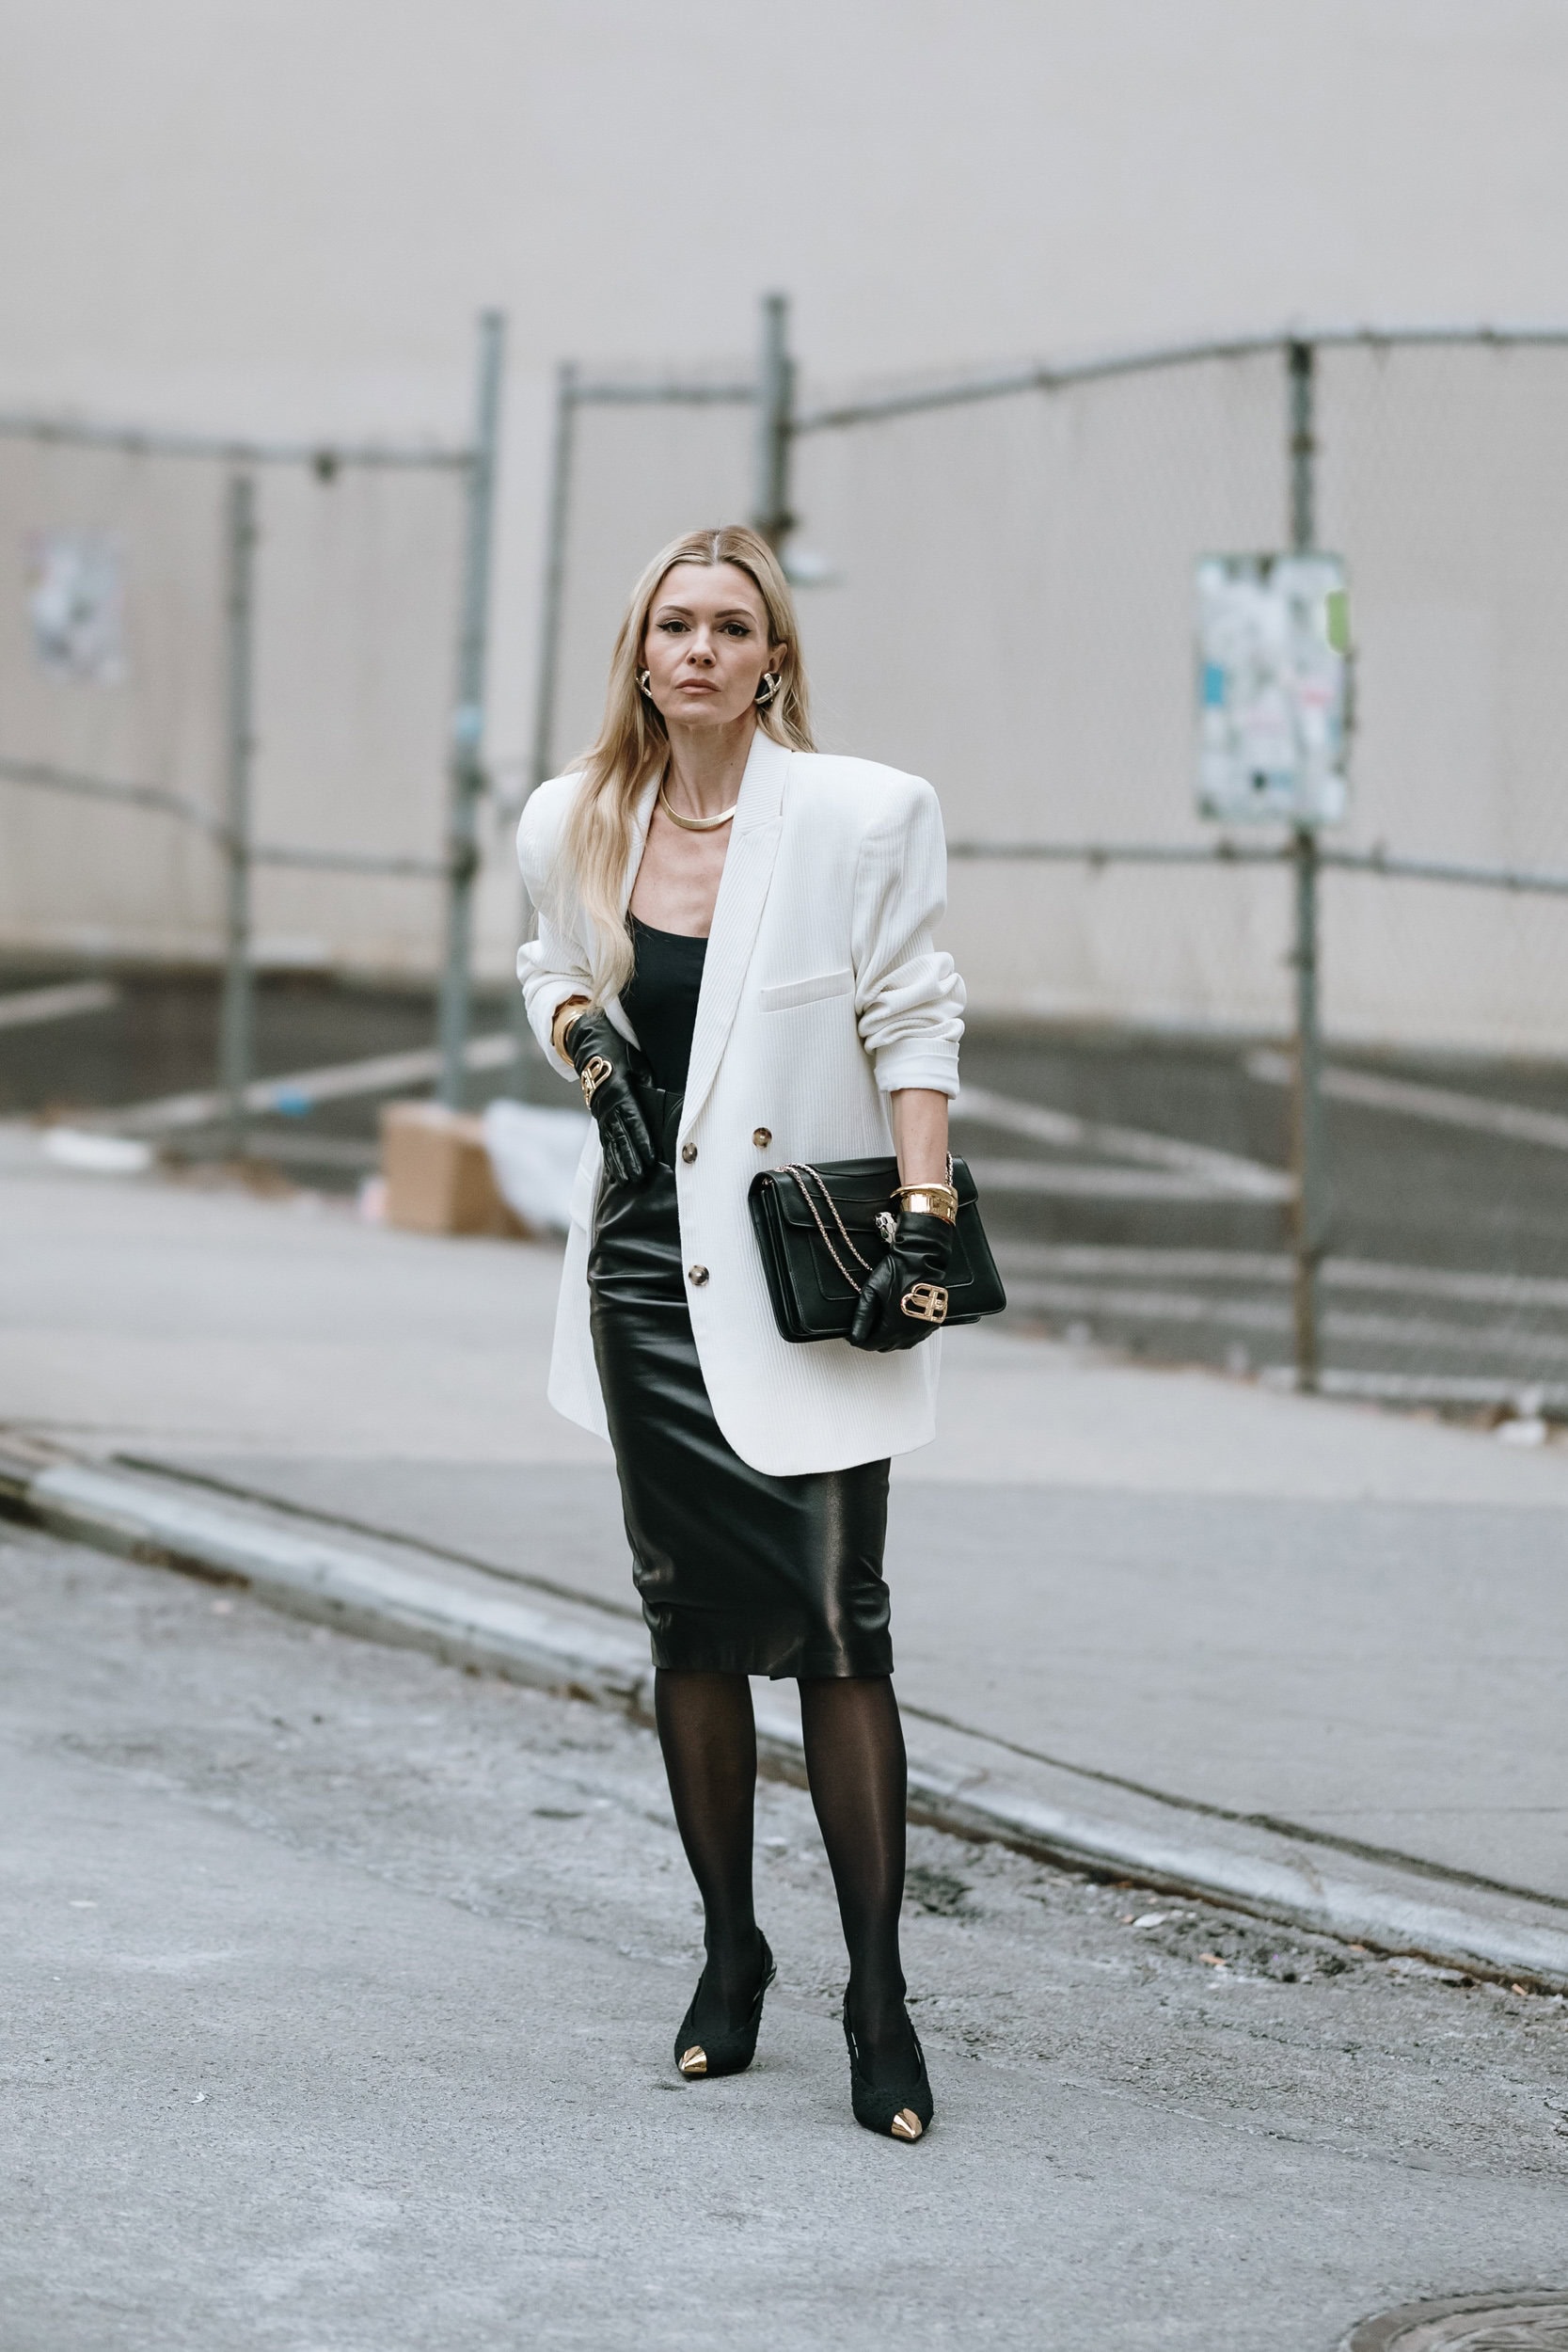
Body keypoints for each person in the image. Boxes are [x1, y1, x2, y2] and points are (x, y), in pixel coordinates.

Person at [516, 524, 964, 2142]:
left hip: (805, 1277)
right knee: (691, 1627)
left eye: (729, 626)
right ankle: (730, 1953)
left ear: (774, 657)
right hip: (643, 1272)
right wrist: (588, 1045)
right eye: (673, 625)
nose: (697, 650)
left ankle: (879, 1998)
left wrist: (925, 1213)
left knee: (841, 1628)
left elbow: (913, 1007)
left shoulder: (860, 813)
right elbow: (550, 966)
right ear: (639, 655)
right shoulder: (574, 817)